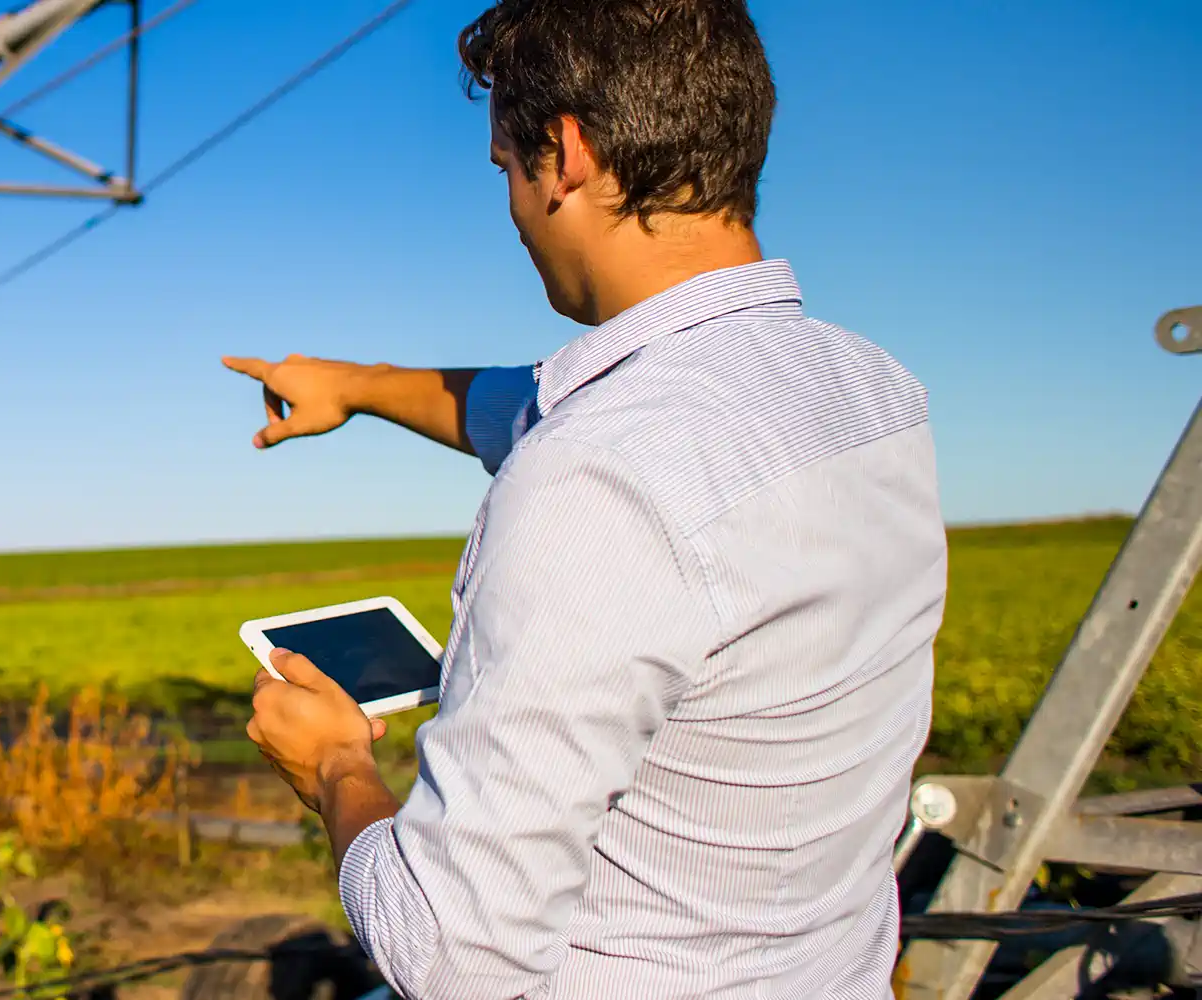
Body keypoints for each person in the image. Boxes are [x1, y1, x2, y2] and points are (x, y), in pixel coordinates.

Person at [224, 1, 944, 997]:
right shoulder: (870, 390)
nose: (514, 209)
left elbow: (452, 953)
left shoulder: (593, 479)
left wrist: (339, 768)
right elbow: (520, 403)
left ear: (564, 155)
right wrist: (353, 384)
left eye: (505, 171)